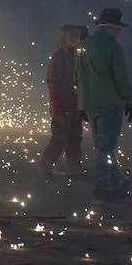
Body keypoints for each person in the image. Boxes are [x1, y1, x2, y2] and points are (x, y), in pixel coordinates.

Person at [76, 8, 132, 200]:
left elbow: (78, 78)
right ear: (111, 28)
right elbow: (121, 77)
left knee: (102, 146)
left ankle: (116, 180)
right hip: (110, 104)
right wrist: (129, 99)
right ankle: (103, 187)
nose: (119, 32)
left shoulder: (83, 46)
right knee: (106, 148)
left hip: (91, 104)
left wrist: (82, 105)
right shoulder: (113, 48)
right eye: (118, 28)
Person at [38, 24, 85, 176]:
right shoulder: (59, 56)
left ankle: (74, 168)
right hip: (62, 105)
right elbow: (53, 83)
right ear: (64, 38)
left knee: (75, 139)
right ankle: (45, 165)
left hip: (76, 106)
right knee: (60, 138)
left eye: (76, 35)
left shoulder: (79, 55)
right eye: (71, 35)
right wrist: (57, 106)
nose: (74, 38)